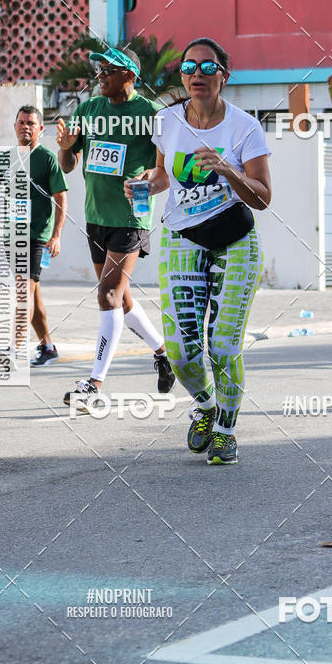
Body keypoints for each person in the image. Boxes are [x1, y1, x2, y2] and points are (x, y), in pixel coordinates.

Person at [126, 37, 271, 465]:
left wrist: (228, 169)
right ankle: (205, 405)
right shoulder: (166, 120)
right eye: (189, 68)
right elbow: (161, 177)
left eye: (208, 68)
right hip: (182, 236)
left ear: (224, 76)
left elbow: (263, 197)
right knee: (182, 351)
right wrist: (143, 185)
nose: (197, 75)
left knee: (223, 344)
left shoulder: (245, 127)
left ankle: (226, 428)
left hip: (234, 238)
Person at [57, 46, 175, 409]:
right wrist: (64, 147)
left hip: (130, 218)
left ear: (130, 76)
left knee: (107, 295)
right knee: (120, 299)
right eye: (99, 69)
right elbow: (67, 165)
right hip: (96, 216)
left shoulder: (152, 115)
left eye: (109, 69)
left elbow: (165, 173)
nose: (100, 75)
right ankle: (162, 353)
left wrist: (148, 178)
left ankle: (93, 384)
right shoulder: (89, 109)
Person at [0, 106, 67, 366]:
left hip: (35, 237)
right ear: (15, 126)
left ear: (40, 129)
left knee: (23, 292)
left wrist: (56, 236)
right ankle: (48, 347)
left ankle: (14, 348)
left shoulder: (47, 158)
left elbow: (61, 198)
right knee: (32, 294)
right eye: (20, 122)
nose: (24, 127)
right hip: (12, 236)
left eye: (30, 123)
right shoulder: (5, 158)